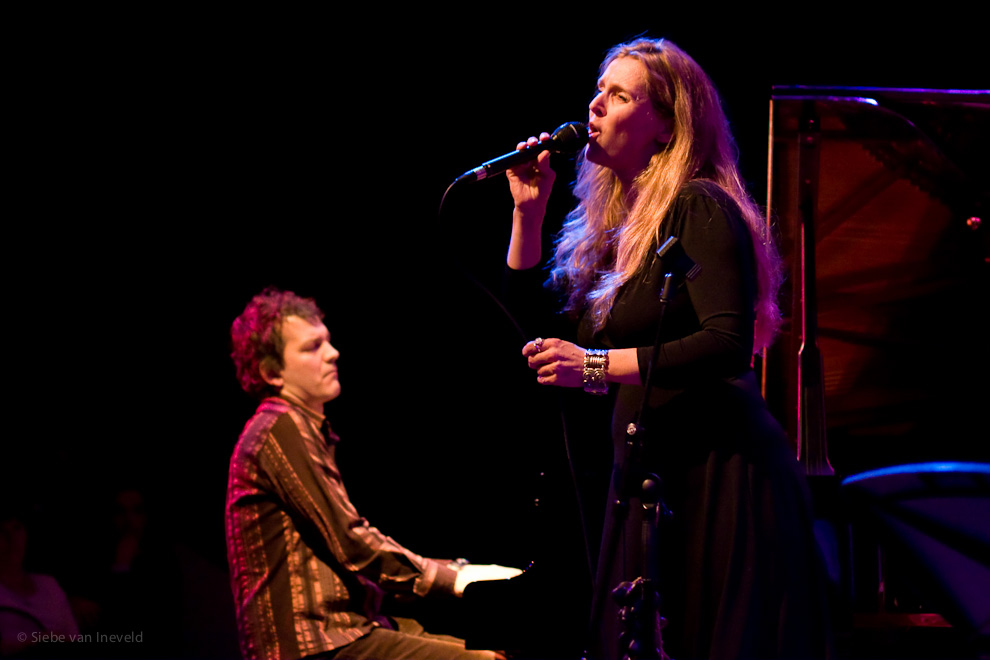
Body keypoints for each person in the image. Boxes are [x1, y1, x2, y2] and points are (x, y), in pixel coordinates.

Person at [503, 38, 830, 659]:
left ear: (665, 126)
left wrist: (595, 367)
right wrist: (529, 215)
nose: (594, 106)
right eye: (598, 90)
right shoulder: (614, 228)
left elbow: (726, 344)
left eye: (619, 95)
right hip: (653, 471)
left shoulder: (698, 205)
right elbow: (543, 343)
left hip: (719, 472)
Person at [226, 287, 519, 660]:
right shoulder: (279, 426)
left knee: (492, 649)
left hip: (347, 628)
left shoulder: (301, 428)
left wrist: (456, 569)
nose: (333, 353)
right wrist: (458, 578)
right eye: (311, 347)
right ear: (272, 372)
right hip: (313, 643)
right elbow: (351, 543)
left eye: (327, 341)